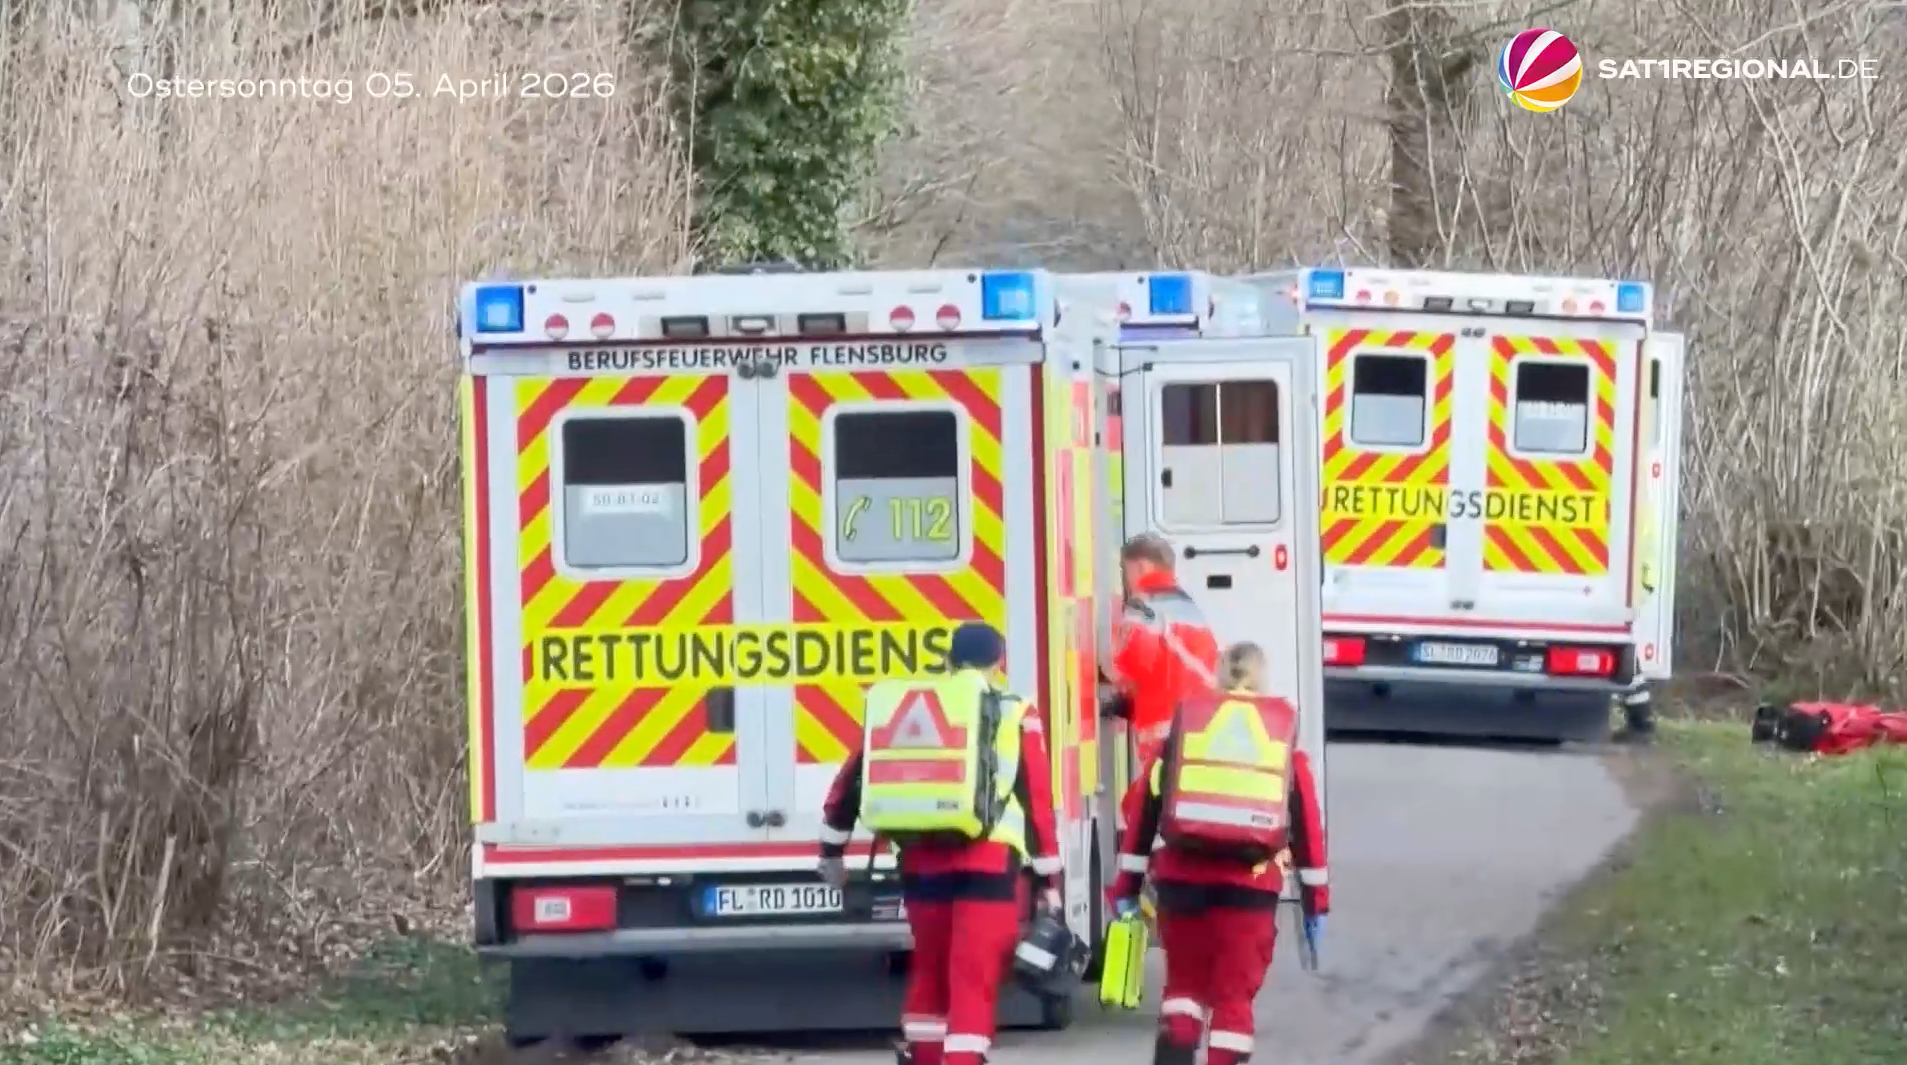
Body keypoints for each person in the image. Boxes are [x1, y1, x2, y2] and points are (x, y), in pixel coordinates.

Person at [817, 622, 1063, 1065]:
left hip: (920, 861)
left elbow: (850, 783)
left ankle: (925, 1055)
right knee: (973, 976)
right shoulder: (1014, 710)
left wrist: (831, 850)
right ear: (998, 663)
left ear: (950, 659)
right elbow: (1038, 804)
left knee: (929, 967)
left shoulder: (906, 705)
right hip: (988, 862)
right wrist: (1050, 878)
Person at [1108, 642, 1329, 1065]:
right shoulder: (1282, 745)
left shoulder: (1183, 737)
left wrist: (1126, 888)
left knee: (1184, 987)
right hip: (1250, 887)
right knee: (1233, 998)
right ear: (1262, 679)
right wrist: (1315, 903)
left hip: (1181, 884)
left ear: (1218, 676)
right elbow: (1308, 833)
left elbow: (1142, 818)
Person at [1108, 532, 1220, 771]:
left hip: (1159, 728)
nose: (1126, 580)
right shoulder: (1190, 607)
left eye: (1125, 571)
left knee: (1158, 798)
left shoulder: (1143, 603)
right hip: (1200, 725)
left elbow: (1131, 662)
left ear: (1140, 566)